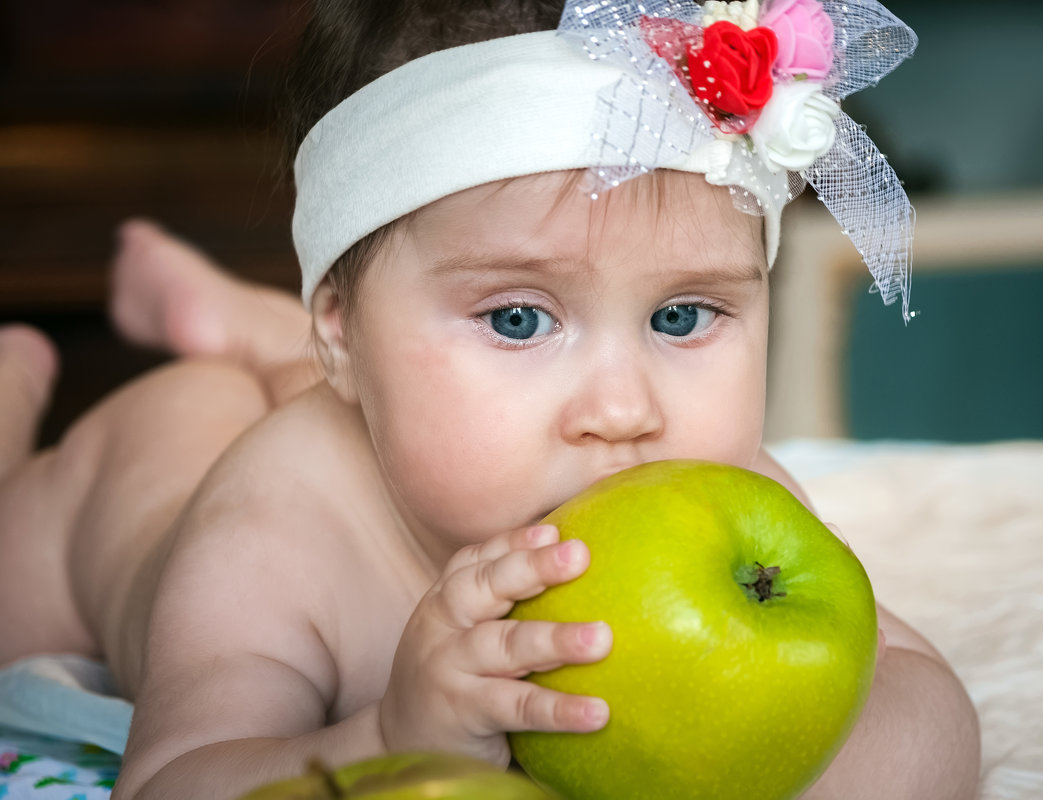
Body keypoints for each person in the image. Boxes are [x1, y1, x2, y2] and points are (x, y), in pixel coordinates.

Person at [0, 0, 981, 797]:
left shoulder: (731, 507)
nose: (624, 409)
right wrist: (387, 735)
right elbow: (173, 781)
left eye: (682, 318)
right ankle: (34, 382)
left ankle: (244, 323)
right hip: (136, 480)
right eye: (518, 319)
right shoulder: (275, 527)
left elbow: (928, 710)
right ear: (341, 324)